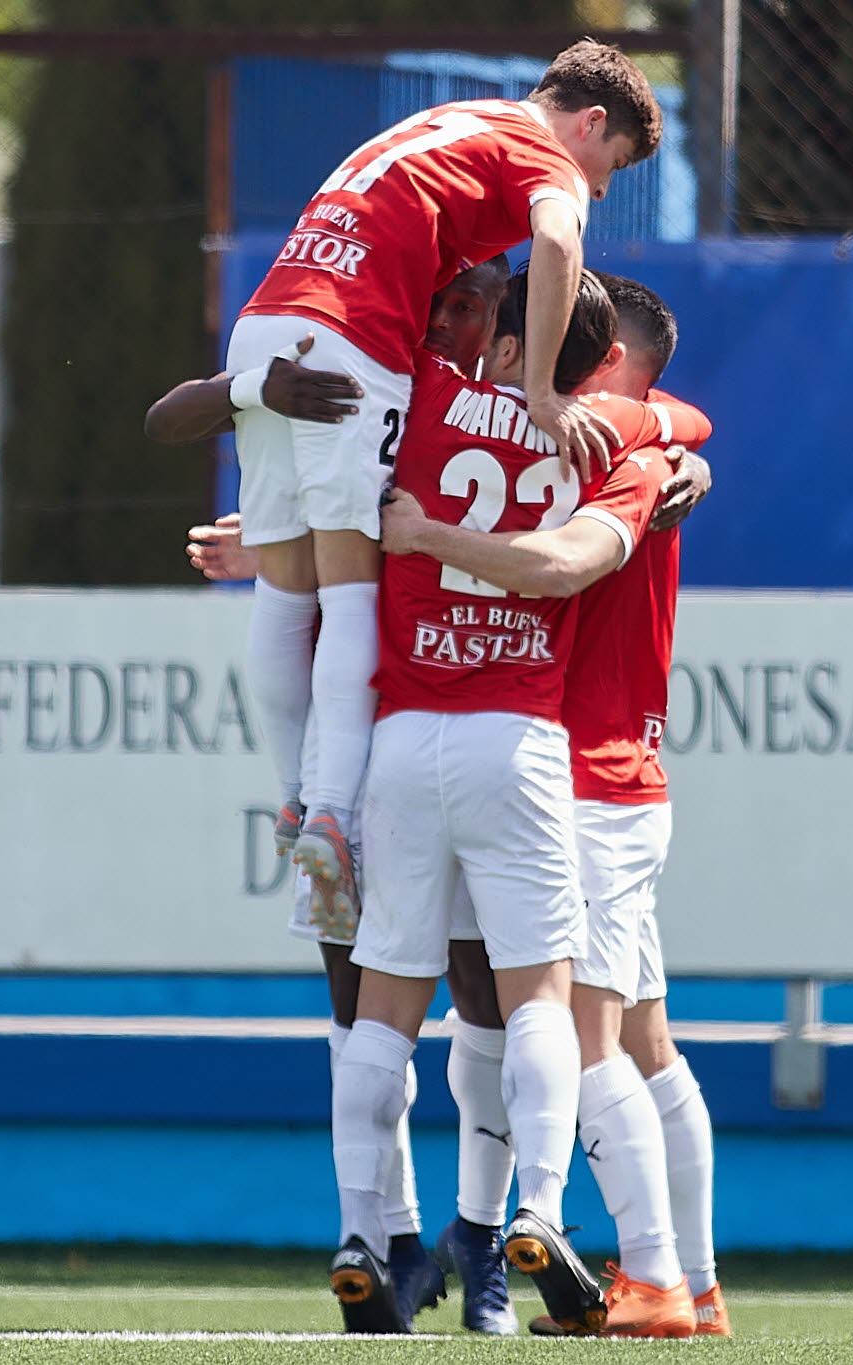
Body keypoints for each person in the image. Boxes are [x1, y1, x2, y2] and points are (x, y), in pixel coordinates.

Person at [326, 269, 708, 1336]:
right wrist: (667, 448)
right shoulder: (622, 441)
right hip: (520, 742)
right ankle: (536, 1210)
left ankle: (362, 1231)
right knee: (540, 999)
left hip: (400, 737)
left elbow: (338, 378)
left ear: (507, 335)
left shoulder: (425, 400)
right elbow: (662, 434)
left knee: (383, 1005)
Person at [224, 41, 664, 938]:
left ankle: (291, 797)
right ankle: (332, 819)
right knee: (349, 590)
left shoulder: (449, 121)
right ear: (589, 125)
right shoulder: (547, 155)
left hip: (268, 325)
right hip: (353, 340)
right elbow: (556, 238)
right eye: (610, 165)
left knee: (282, 586)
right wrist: (541, 391)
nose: (602, 186)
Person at [150, 261, 513, 1329]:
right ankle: (389, 1240)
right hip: (350, 732)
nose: (445, 317)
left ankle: (464, 1245)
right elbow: (172, 413)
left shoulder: (491, 412)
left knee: (473, 992)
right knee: (369, 993)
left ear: (499, 316)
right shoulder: (367, 381)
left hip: (434, 719)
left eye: (467, 302)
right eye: (434, 297)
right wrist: (254, 399)